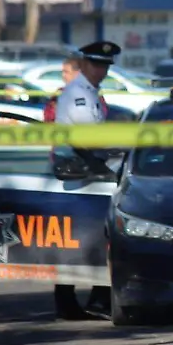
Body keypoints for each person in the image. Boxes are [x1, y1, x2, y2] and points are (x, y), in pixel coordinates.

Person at [52, 41, 120, 316]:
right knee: (88, 239)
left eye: (105, 65)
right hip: (80, 174)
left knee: (88, 239)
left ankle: (93, 298)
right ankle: (77, 301)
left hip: (89, 171)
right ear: (85, 65)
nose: (102, 70)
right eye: (97, 64)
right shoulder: (78, 93)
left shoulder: (87, 91)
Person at [43, 52, 82, 123]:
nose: (63, 75)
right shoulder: (59, 93)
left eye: (66, 72)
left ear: (77, 73)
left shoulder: (91, 93)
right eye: (62, 72)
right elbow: (48, 117)